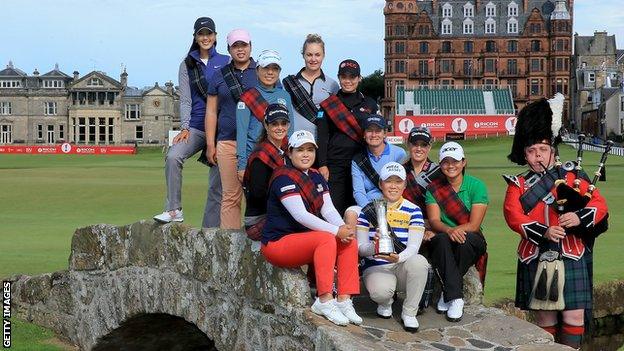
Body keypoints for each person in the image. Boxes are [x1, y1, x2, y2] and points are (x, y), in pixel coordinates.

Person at [503, 95, 608, 349]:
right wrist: (545, 231)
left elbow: (600, 205)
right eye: (531, 151)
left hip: (572, 251)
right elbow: (512, 214)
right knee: (544, 316)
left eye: (543, 149)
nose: (538, 156)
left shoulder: (573, 177)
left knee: (574, 315)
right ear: (524, 155)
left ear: (553, 150)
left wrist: (577, 217)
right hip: (537, 253)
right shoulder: (518, 184)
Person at [261, 130, 361, 327]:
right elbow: (301, 215)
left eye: (310, 150)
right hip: (277, 244)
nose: (306, 154)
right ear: (289, 153)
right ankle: (324, 300)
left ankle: (344, 300)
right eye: (300, 150)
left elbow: (328, 208)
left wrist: (342, 228)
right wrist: (335, 231)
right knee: (325, 238)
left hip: (303, 242)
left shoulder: (315, 176)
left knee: (349, 240)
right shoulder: (283, 177)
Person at [153, 17, 229, 226]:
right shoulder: (186, 64)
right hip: (196, 126)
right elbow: (185, 99)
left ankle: (209, 231)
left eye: (209, 33)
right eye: (201, 34)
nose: (205, 37)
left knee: (216, 185)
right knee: (173, 156)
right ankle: (174, 209)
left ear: (215, 37)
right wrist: (185, 127)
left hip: (222, 129)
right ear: (195, 37)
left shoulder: (226, 61)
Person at [356, 162, 429, 332]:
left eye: (398, 181)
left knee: (419, 262)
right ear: (381, 184)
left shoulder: (414, 210)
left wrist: (398, 258)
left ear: (404, 184)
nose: (393, 186)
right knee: (381, 293)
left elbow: (413, 247)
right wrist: (373, 248)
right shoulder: (367, 210)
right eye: (389, 181)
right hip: (377, 267)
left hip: (402, 264)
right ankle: (386, 301)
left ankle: (409, 313)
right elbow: (360, 248)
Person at [425, 142, 488, 322]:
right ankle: (456, 298)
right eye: (445, 162)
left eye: (455, 161)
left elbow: (474, 225)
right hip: (444, 235)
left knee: (464, 242)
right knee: (442, 241)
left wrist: (455, 231)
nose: (450, 166)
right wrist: (450, 230)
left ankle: (448, 293)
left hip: (472, 238)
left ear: (463, 162)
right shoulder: (434, 188)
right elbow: (435, 221)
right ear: (440, 165)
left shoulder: (477, 185)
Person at [205, 28, 257, 229]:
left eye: (244, 45)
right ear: (229, 49)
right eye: (236, 46)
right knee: (230, 196)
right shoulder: (219, 76)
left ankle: (257, 246)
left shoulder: (263, 72)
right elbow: (211, 112)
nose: (240, 49)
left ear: (250, 47)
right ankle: (230, 247)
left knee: (256, 195)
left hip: (255, 143)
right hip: (227, 141)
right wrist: (210, 144)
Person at [317, 59, 378, 215]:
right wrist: (322, 164)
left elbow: (377, 135)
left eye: (352, 77)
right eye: (344, 77)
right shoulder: (328, 105)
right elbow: (322, 137)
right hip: (335, 164)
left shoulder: (370, 104)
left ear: (359, 78)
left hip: (361, 163)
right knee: (334, 209)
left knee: (359, 210)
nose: (348, 81)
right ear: (339, 78)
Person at [236, 49, 294, 182]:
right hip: (255, 158)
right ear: (257, 70)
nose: (270, 72)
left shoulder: (285, 96)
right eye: (266, 67)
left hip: (280, 159)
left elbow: (289, 131)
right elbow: (242, 134)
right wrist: (242, 165)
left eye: (275, 68)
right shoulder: (247, 98)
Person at [242, 103, 290, 240]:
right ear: (266, 125)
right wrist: (288, 201)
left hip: (277, 212)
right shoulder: (261, 156)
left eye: (283, 123)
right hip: (259, 219)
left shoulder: (286, 151)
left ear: (288, 125)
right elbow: (258, 195)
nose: (280, 128)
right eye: (275, 124)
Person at [348, 115, 406, 223]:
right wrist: (371, 212)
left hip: (393, 202)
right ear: (364, 135)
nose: (374, 135)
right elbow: (358, 192)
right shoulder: (358, 160)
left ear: (384, 134)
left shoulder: (399, 153)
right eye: (369, 131)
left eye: (378, 131)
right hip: (368, 204)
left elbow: (401, 185)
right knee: (350, 213)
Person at [282, 34, 339, 139]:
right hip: (294, 142)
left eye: (317, 55)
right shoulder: (289, 83)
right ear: (303, 55)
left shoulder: (333, 85)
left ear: (323, 55)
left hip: (322, 143)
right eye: (309, 54)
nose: (313, 59)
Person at [402, 126, 443, 241]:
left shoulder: (438, 172)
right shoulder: (399, 171)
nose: (419, 148)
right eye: (415, 144)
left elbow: (445, 207)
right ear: (408, 145)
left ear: (429, 147)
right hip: (404, 224)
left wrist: (433, 229)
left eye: (424, 145)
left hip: (432, 227)